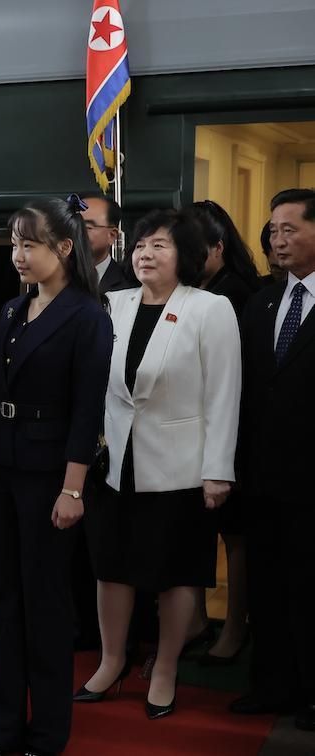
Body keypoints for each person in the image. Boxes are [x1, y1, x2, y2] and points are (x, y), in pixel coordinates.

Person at [0, 196, 112, 756]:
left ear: (65, 249)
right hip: (2, 469)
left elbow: (87, 410)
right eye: (15, 242)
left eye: (30, 244)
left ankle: (45, 735)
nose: (18, 254)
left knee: (44, 605)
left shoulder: (88, 317)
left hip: (52, 477)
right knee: (4, 602)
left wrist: (73, 488)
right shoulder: (12, 311)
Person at [78, 208, 240, 721]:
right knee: (111, 568)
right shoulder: (112, 304)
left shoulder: (210, 309)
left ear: (186, 256)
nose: (146, 252)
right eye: (142, 244)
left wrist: (219, 470)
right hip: (114, 464)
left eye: (160, 245)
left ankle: (165, 668)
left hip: (181, 469)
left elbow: (223, 396)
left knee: (174, 574)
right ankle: (111, 661)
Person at [230, 189, 315, 732]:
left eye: (289, 229)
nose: (277, 240)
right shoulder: (259, 302)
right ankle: (271, 684)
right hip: (261, 477)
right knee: (267, 586)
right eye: (273, 231)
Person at [189, 198, 262, 666]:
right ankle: (195, 622)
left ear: (217, 247)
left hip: (232, 431)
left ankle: (235, 627)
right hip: (191, 431)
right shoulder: (195, 289)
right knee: (195, 533)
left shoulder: (234, 294)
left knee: (235, 538)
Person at [80, 192, 131, 293]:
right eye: (71, 225)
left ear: (112, 235)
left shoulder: (130, 284)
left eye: (87, 227)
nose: (77, 232)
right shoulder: (49, 280)